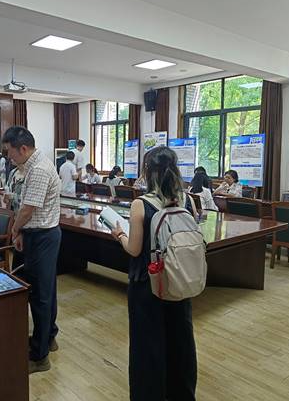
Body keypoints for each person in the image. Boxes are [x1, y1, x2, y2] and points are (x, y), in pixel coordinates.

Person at [110, 146, 197, 401]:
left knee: (147, 345)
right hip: (179, 280)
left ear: (147, 171)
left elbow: (134, 249)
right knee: (180, 341)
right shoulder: (188, 200)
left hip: (147, 284)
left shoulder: (141, 204)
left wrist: (120, 235)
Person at [2, 126, 61, 374]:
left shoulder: (38, 169)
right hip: (35, 234)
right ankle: (48, 336)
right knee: (45, 290)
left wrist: (15, 229)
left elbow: (28, 209)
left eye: (9, 151)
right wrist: (21, 232)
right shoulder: (30, 166)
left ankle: (39, 356)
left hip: (42, 236)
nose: (8, 157)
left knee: (39, 295)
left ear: (23, 148)